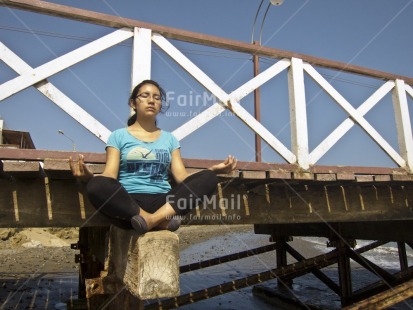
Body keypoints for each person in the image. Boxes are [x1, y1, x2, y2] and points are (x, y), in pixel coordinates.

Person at [70, 79, 237, 235]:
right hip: (129, 207)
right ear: (133, 103)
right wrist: (90, 177)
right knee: (96, 185)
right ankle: (157, 221)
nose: (151, 101)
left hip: (164, 203)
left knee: (209, 178)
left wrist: (212, 170)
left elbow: (182, 177)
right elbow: (109, 176)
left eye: (157, 98)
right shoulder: (118, 136)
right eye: (145, 96)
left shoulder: (170, 139)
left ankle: (152, 220)